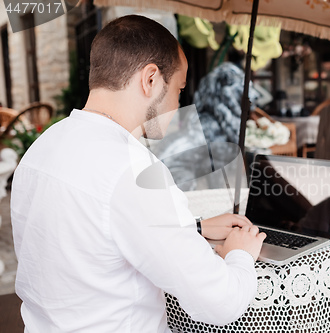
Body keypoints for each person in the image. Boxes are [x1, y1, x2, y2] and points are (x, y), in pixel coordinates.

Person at [11, 15, 266, 332]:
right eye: (178, 89)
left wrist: (194, 227)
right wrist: (240, 254)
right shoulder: (133, 169)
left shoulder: (43, 146)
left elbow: (93, 236)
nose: (178, 104)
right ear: (150, 79)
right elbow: (220, 302)